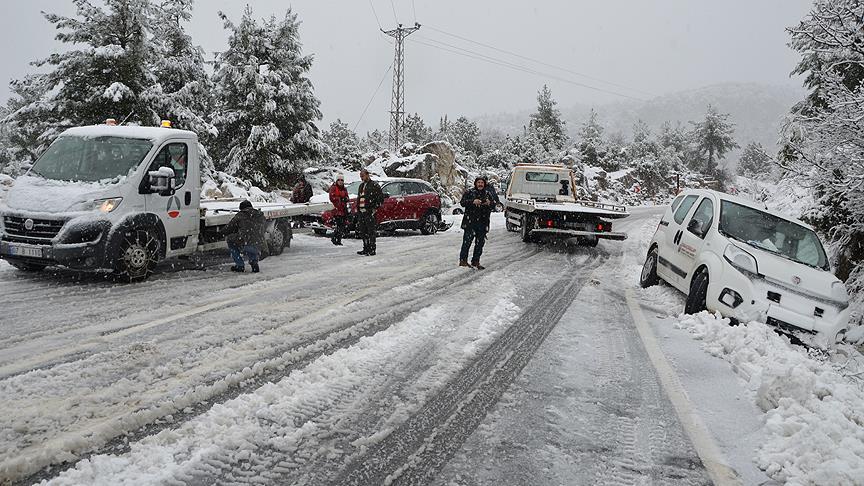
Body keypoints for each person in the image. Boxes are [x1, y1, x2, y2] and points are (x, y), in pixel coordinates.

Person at [459, 176, 494, 269]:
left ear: (484, 184)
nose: (480, 184)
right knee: (467, 242)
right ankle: (463, 261)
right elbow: (462, 202)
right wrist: (472, 201)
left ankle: (476, 261)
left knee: (480, 244)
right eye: (478, 182)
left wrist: (489, 203)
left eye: (482, 183)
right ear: (475, 183)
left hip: (483, 223)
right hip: (470, 222)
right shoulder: (469, 192)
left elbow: (494, 205)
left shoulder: (487, 194)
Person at [224, 200, 266, 273]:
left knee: (231, 240)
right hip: (260, 244)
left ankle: (240, 265)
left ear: (241, 208)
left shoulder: (240, 215)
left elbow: (229, 227)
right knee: (251, 240)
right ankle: (254, 263)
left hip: (246, 243)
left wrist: (221, 233)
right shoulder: (260, 215)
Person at [356, 168, 384, 256]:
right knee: (363, 231)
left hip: (369, 212)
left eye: (363, 176)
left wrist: (374, 208)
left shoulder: (374, 185)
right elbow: (359, 197)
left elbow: (380, 198)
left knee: (371, 231)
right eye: (360, 176)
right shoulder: (361, 186)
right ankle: (365, 248)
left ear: (367, 175)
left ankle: (372, 249)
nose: (361, 178)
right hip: (361, 212)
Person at [328, 174, 350, 246]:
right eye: (339, 180)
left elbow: (347, 197)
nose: (340, 181)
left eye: (342, 180)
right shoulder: (333, 188)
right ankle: (335, 238)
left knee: (342, 225)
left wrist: (345, 199)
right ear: (336, 181)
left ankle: (338, 239)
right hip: (337, 210)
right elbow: (332, 197)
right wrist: (340, 199)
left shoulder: (344, 188)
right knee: (339, 225)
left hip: (343, 209)